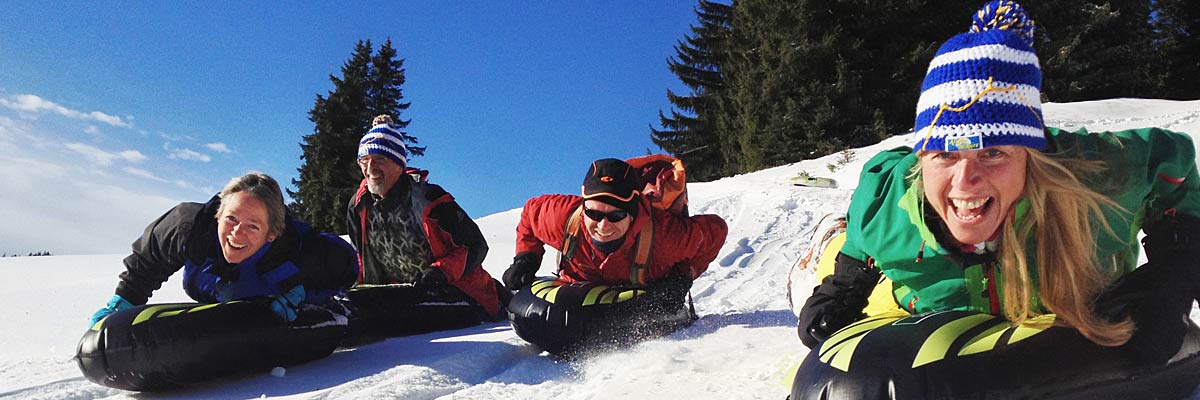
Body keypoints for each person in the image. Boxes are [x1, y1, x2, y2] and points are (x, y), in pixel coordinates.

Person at [797, 0, 1199, 365]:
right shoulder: (893, 200)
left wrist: (1174, 269)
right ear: (922, 160)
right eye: (945, 155)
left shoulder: (1096, 173)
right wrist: (844, 285)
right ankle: (827, 235)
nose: (966, 180)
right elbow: (865, 233)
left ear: (1031, 156)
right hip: (916, 298)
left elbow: (1174, 167)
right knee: (854, 268)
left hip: (1055, 287)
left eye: (993, 153)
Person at [87, 172, 359, 327]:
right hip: (213, 289)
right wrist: (124, 299)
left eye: (253, 226)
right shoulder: (189, 228)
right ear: (219, 214)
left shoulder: (300, 252)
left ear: (271, 234)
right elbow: (149, 260)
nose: (237, 233)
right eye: (231, 219)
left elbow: (346, 267)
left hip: (270, 288)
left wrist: (308, 296)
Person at [503, 157, 728, 319]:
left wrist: (682, 277)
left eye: (616, 215)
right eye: (593, 213)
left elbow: (716, 231)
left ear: (632, 214)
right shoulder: (562, 217)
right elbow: (530, 213)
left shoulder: (665, 235)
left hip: (641, 295)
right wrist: (526, 257)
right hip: (577, 291)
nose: (603, 225)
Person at [347, 115, 507, 329]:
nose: (370, 168)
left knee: (396, 321)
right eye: (364, 161)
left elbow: (475, 246)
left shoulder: (430, 199)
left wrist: (441, 272)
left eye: (379, 159)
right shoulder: (359, 205)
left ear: (398, 163)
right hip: (394, 295)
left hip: (455, 292)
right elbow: (361, 254)